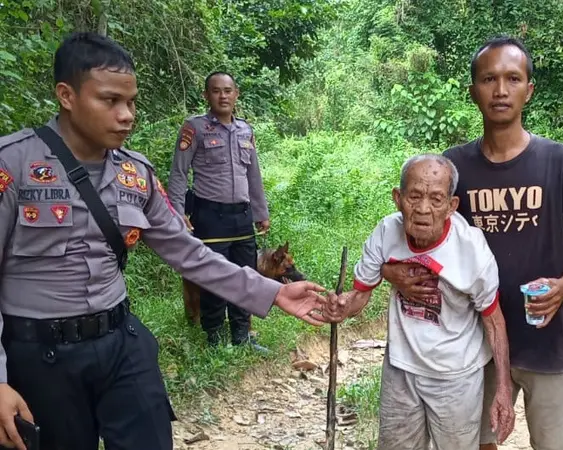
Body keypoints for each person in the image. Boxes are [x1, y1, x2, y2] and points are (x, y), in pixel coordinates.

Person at [0, 32, 329, 450]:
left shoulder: (133, 174)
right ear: (66, 95)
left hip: (120, 342)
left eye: (132, 102)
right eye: (110, 101)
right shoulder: (12, 166)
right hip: (39, 357)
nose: (126, 115)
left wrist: (271, 292)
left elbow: (188, 252)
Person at [381, 36, 563, 450]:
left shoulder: (560, 161)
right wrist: (390, 270)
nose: (501, 90)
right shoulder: (454, 167)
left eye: (513, 78)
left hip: (547, 341)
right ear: (472, 91)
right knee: (478, 442)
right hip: (472, 342)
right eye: (489, 79)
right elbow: (421, 236)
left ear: (529, 90)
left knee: (554, 443)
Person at [324, 154, 515, 449]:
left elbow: (494, 321)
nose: (424, 209)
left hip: (457, 377)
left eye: (437, 199)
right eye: (414, 196)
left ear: (451, 207)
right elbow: (360, 295)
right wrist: (342, 306)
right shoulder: (386, 233)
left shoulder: (471, 250)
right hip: (401, 369)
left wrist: (503, 388)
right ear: (398, 199)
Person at [167, 71, 271, 349]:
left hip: (242, 217)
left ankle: (241, 335)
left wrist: (261, 211)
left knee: (245, 276)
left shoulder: (245, 130)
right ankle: (213, 336)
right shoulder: (195, 128)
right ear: (206, 95)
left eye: (228, 90)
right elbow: (179, 173)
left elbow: (254, 175)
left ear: (236, 94)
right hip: (210, 216)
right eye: (216, 91)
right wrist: (178, 213)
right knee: (213, 278)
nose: (222, 96)